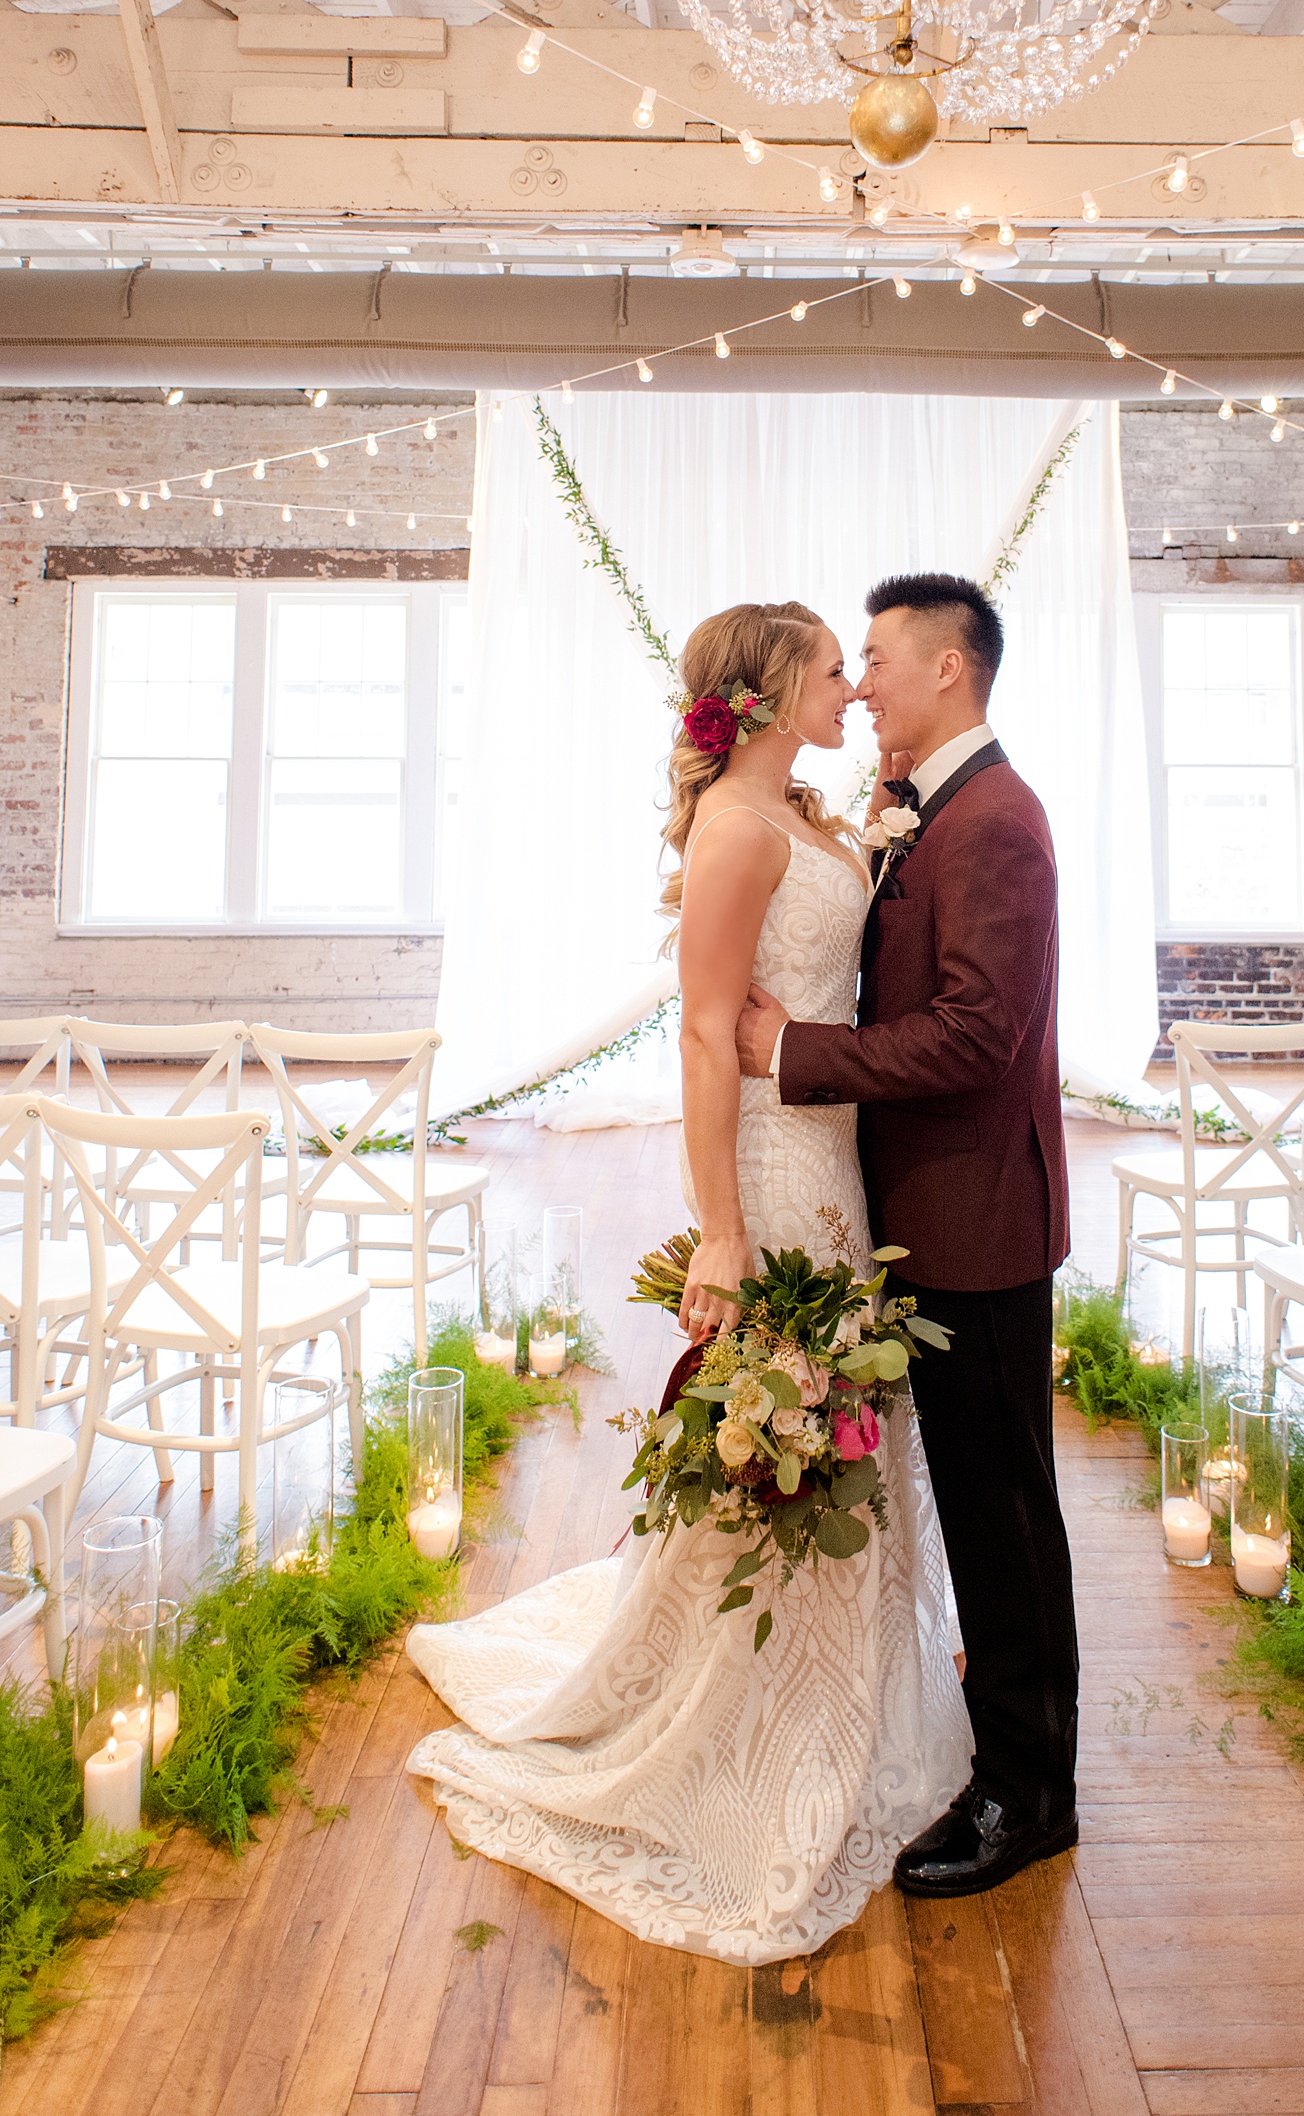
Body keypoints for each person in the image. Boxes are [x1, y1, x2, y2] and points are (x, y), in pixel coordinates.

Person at [404, 600, 970, 1966]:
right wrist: (718, 1230)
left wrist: (887, 805)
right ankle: (750, 1726)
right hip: (778, 1171)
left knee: (848, 1426)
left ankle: (840, 1700)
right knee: (787, 1436)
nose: (853, 682)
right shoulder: (735, 828)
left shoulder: (817, 810)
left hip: (843, 1161)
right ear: (772, 693)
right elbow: (707, 1041)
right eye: (835, 667)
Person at [736, 572, 1079, 1900]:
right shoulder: (938, 814)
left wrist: (792, 1050)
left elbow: (978, 1036)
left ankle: (1028, 1793)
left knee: (1003, 1517)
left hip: (978, 1224)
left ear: (946, 669)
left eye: (875, 655)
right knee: (981, 1510)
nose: (862, 680)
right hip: (929, 1213)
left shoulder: (993, 823)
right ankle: (1006, 1749)